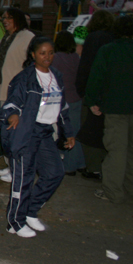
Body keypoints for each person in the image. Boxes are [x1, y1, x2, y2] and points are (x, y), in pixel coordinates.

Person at [0, 36, 75, 238]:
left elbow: (63, 108)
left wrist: (68, 133)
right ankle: (14, 222)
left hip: (44, 133)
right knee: (24, 178)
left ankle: (30, 211)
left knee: (55, 172)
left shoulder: (56, 76)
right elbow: (12, 102)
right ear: (33, 54)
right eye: (42, 53)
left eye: (50, 52)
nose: (47, 57)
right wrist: (13, 114)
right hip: (26, 132)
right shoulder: (25, 77)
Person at [85, 16, 133, 203]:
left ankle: (113, 191)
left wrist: (92, 100)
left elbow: (96, 77)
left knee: (116, 150)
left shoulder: (108, 51)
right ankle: (132, 187)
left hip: (115, 107)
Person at [0, 8, 34, 182]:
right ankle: (11, 166)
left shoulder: (28, 37)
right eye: (3, 18)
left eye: (9, 18)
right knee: (6, 132)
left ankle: (18, 169)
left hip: (18, 92)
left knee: (16, 133)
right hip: (3, 89)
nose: (5, 20)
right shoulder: (4, 39)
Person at [74, 9, 115, 178]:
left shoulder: (92, 38)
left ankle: (93, 168)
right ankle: (106, 168)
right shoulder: (113, 39)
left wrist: (83, 90)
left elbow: (86, 66)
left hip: (92, 92)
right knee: (107, 132)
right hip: (110, 94)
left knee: (89, 131)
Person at [52, 31, 85, 175]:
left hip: (61, 100)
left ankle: (69, 166)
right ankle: (80, 163)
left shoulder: (56, 58)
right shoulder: (76, 58)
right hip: (76, 98)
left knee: (65, 132)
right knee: (75, 132)